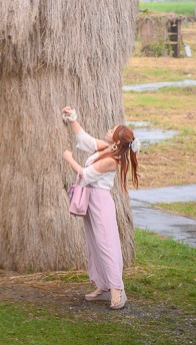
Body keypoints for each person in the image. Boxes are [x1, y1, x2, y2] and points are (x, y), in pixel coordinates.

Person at [61, 106, 139, 311]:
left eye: (113, 129)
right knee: (94, 244)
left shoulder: (112, 161)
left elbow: (84, 175)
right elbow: (85, 139)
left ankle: (117, 290)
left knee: (106, 244)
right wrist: (72, 119)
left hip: (101, 202)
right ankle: (103, 286)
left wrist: (69, 158)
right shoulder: (106, 148)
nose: (109, 128)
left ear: (118, 140)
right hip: (91, 200)